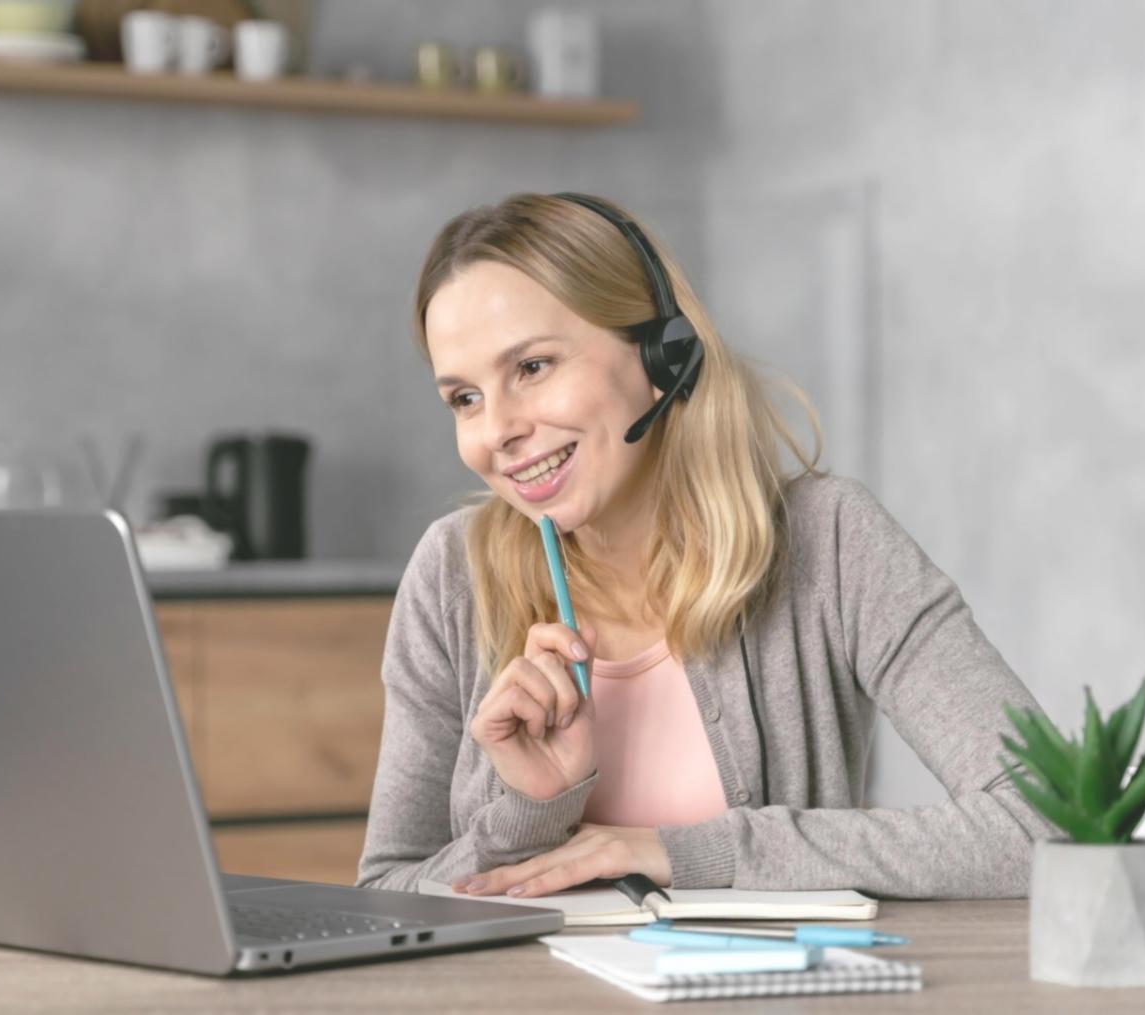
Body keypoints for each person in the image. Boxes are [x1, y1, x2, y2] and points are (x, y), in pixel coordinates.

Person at [356, 192, 1049, 900]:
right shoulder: (452, 571)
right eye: (464, 398)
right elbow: (382, 893)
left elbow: (1050, 823)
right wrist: (529, 812)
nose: (495, 430)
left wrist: (688, 851)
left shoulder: (832, 541)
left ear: (663, 352)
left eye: (531, 367)